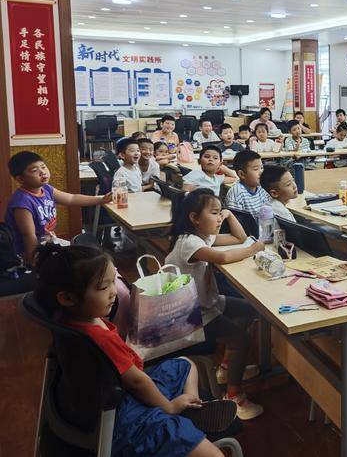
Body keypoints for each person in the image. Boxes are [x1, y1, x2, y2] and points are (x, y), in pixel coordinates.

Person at [34, 244, 234, 456]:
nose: (114, 292)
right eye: (103, 287)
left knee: (186, 364)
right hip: (126, 420)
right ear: (67, 298)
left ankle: (189, 409)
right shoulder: (100, 340)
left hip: (101, 401)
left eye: (114, 281)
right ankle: (177, 414)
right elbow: (138, 382)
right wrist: (168, 407)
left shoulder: (64, 319)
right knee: (216, 455)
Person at [167, 189, 265, 419]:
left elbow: (239, 238)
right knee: (241, 339)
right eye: (214, 213)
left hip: (206, 303)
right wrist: (253, 249)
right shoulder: (189, 242)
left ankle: (227, 367)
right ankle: (233, 397)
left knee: (250, 309)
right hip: (192, 315)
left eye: (220, 212)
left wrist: (229, 215)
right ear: (194, 218)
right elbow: (223, 257)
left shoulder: (202, 237)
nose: (219, 218)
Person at [5, 152, 111, 264]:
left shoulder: (46, 189)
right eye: (35, 170)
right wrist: (35, 264)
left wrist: (100, 199)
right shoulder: (22, 203)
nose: (42, 172)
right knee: (82, 262)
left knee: (88, 256)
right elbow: (28, 236)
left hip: (47, 244)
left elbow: (72, 198)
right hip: (27, 253)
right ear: (20, 179)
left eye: (43, 167)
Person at [224, 150, 272, 218]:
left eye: (261, 168)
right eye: (256, 169)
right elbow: (236, 220)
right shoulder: (237, 193)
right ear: (242, 174)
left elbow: (269, 209)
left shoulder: (262, 187)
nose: (261, 172)